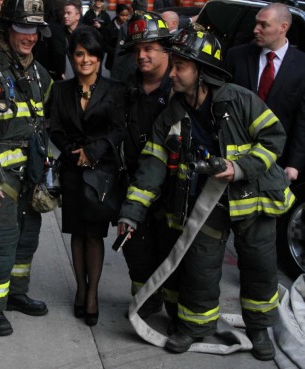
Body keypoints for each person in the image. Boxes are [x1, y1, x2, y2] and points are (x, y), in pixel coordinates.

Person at [118, 24, 295, 361]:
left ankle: (258, 329)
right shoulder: (172, 112)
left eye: (180, 66)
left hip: (254, 200)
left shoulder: (239, 100)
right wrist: (131, 212)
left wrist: (239, 167)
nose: (173, 73)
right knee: (200, 266)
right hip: (207, 202)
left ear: (201, 70)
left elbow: (273, 137)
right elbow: (152, 165)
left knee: (259, 267)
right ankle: (194, 326)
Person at [0, 0, 53, 337]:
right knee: (1, 239)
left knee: (27, 238)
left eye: (35, 31)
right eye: (24, 30)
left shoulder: (39, 73)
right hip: (0, 175)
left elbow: (41, 123)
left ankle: (16, 293)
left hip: (29, 173)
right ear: (9, 29)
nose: (30, 38)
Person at [49, 27, 125, 326]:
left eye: (91, 54)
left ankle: (92, 292)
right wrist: (72, 151)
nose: (85, 60)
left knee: (94, 235)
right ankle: (80, 287)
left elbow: (119, 129)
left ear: (99, 56)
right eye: (79, 54)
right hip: (72, 170)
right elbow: (54, 128)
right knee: (77, 234)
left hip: (101, 173)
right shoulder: (60, 90)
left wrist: (92, 152)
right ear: (72, 56)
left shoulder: (114, 89)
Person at [119, 12, 180, 321]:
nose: (141, 55)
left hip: (173, 189)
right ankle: (146, 303)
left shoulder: (180, 87)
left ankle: (175, 311)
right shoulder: (127, 87)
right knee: (138, 253)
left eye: (149, 48)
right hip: (135, 186)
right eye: (137, 50)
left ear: (166, 50)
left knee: (173, 254)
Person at [224, 2, 305, 182]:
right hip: (236, 157)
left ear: (283, 28)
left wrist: (295, 164)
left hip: (278, 161)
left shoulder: (302, 66)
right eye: (256, 23)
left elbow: (302, 120)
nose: (255, 29)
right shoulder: (236, 56)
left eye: (264, 25)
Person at [63, 1, 92, 79]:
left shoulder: (88, 32)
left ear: (77, 16)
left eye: (69, 13)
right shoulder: (60, 33)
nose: (65, 16)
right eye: (64, 13)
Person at [103, 3, 132, 71]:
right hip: (113, 60)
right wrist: (115, 51)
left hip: (127, 60)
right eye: (122, 15)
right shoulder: (109, 28)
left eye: (126, 15)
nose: (125, 17)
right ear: (117, 14)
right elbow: (104, 45)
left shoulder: (130, 26)